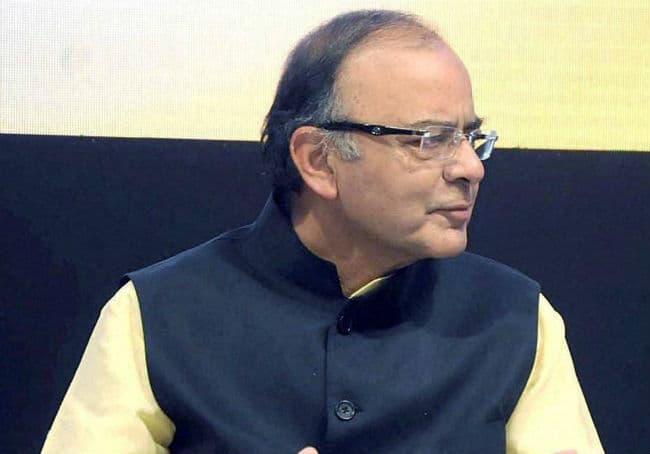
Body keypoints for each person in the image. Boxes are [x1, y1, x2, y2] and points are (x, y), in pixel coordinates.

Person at [42, 9, 604, 454]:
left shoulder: (516, 318)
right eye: (429, 139)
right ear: (318, 159)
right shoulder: (156, 314)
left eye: (471, 137)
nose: (470, 168)